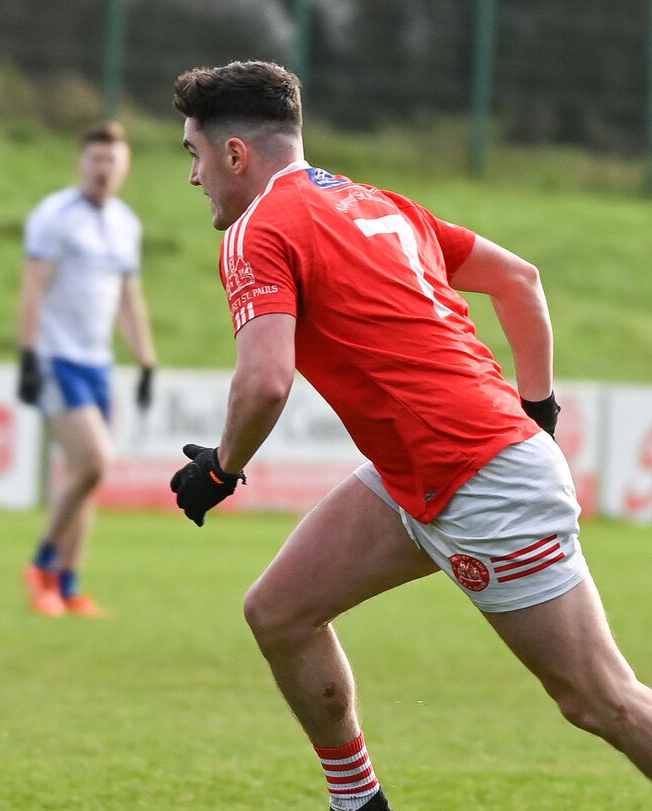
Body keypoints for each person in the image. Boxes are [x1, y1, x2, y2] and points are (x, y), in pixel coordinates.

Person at [168, 60, 652, 810]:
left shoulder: (259, 227)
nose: (194, 178)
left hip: (482, 476)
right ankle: (358, 803)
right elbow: (519, 279)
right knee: (281, 611)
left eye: (195, 155)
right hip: (423, 471)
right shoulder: (375, 201)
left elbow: (265, 381)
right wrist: (539, 407)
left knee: (602, 700)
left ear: (237, 155)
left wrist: (222, 469)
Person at [16, 122, 158, 617]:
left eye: (113, 161)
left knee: (85, 476)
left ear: (125, 167)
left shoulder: (126, 224)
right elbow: (33, 286)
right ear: (82, 163)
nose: (104, 169)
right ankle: (40, 564)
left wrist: (146, 361)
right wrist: (28, 355)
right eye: (96, 159)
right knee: (95, 460)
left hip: (99, 364)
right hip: (57, 360)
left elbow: (127, 297)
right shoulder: (55, 216)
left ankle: (67, 586)